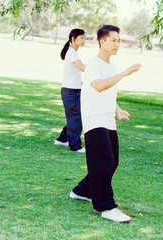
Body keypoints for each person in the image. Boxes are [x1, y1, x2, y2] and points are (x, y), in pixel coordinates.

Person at [69, 25, 141, 222]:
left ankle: (81, 191)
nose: (118, 44)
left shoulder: (112, 67)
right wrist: (126, 73)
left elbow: (108, 91)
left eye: (119, 41)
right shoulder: (93, 65)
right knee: (104, 162)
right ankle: (106, 207)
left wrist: (118, 110)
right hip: (95, 120)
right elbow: (99, 86)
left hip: (108, 119)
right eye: (114, 40)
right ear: (102, 41)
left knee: (112, 162)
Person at [54, 29, 86, 153]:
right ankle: (75, 146)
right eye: (81, 38)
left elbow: (75, 74)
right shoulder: (72, 53)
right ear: (73, 39)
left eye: (84, 38)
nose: (83, 40)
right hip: (70, 91)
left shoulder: (73, 52)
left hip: (74, 90)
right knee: (76, 118)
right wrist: (97, 66)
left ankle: (62, 140)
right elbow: (82, 68)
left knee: (75, 117)